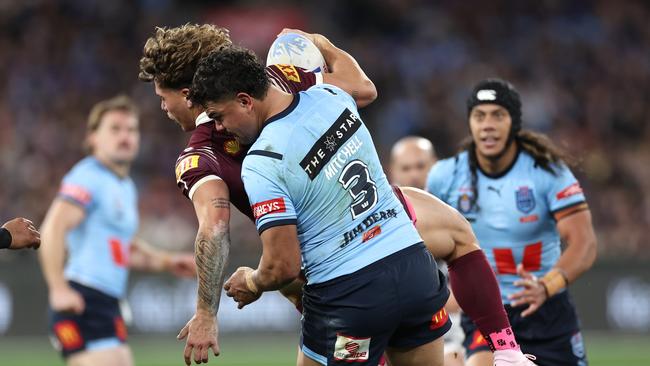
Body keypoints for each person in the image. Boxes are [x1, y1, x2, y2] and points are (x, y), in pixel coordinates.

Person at [138, 24, 377, 365]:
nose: (163, 107)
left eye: (164, 97)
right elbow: (363, 91)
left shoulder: (200, 157)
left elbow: (215, 229)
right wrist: (320, 42)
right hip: (383, 227)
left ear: (189, 94)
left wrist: (206, 313)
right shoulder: (274, 82)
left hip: (337, 275)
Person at [426, 78, 597, 366]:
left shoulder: (547, 172)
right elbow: (424, 247)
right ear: (470, 123)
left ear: (513, 123)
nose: (488, 124)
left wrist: (547, 285)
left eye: (498, 115)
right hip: (484, 312)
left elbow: (585, 243)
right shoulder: (446, 176)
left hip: (546, 310)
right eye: (479, 116)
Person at [39, 95, 196, 366]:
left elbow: (124, 248)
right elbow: (52, 229)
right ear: (92, 138)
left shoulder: (123, 186)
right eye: (115, 129)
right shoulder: (88, 176)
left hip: (106, 303)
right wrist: (58, 288)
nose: (125, 136)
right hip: (82, 298)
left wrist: (168, 261)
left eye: (131, 130)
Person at [389, 137, 463, 366]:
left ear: (436, 166)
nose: (413, 175)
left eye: (421, 166)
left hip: (455, 324)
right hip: (400, 322)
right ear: (392, 171)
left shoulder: (458, 211)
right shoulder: (382, 220)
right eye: (406, 168)